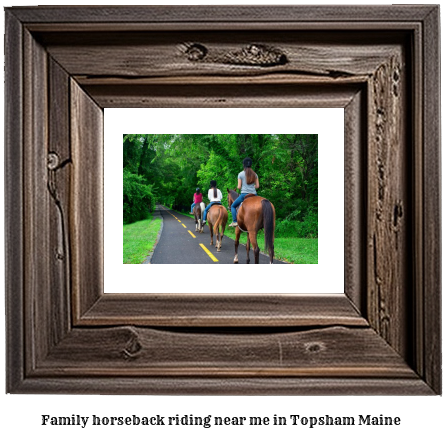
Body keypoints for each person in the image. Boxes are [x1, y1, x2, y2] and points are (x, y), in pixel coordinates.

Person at [229, 157, 259, 227]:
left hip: (244, 195)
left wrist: (239, 186)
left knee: (233, 206)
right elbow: (257, 186)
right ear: (251, 165)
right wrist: (252, 187)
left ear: (244, 165)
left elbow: (239, 187)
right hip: (254, 194)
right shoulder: (255, 174)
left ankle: (235, 221)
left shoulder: (240, 174)